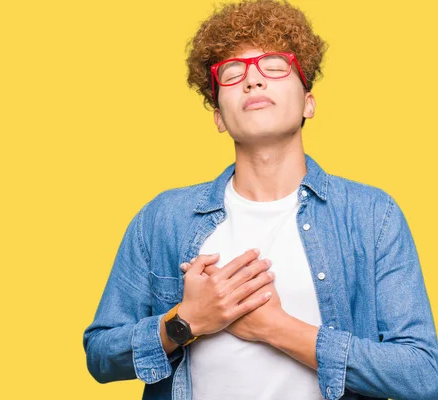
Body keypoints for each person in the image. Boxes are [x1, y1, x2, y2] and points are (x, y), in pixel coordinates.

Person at [83, 0, 438, 399]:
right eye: (233, 75)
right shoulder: (163, 218)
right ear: (218, 116)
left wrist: (275, 327)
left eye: (274, 67)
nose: (253, 82)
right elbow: (100, 356)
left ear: (308, 101)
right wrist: (186, 321)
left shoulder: (373, 216)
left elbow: (422, 374)